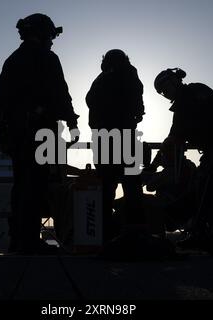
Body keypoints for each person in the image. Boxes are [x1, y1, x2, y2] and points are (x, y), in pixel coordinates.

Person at [0, 13, 80, 254]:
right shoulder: (48, 59)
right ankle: (29, 242)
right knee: (36, 183)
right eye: (50, 36)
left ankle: (19, 239)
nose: (52, 41)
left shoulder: (12, 60)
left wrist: (1, 134)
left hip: (17, 135)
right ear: (41, 34)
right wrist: (72, 123)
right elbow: (61, 94)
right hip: (41, 133)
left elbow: (1, 102)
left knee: (21, 185)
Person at [149, 68, 213, 247]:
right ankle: (207, 231)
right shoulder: (193, 94)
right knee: (207, 188)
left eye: (165, 87)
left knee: (204, 188)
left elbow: (174, 137)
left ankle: (200, 234)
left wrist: (152, 166)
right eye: (161, 91)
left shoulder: (189, 98)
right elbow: (174, 137)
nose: (164, 93)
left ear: (175, 81)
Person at [86, 49, 146, 243]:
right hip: (125, 137)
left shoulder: (100, 79)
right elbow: (138, 102)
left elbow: (89, 101)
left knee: (106, 185)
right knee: (132, 185)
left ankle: (104, 234)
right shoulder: (129, 72)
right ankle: (135, 232)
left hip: (103, 139)